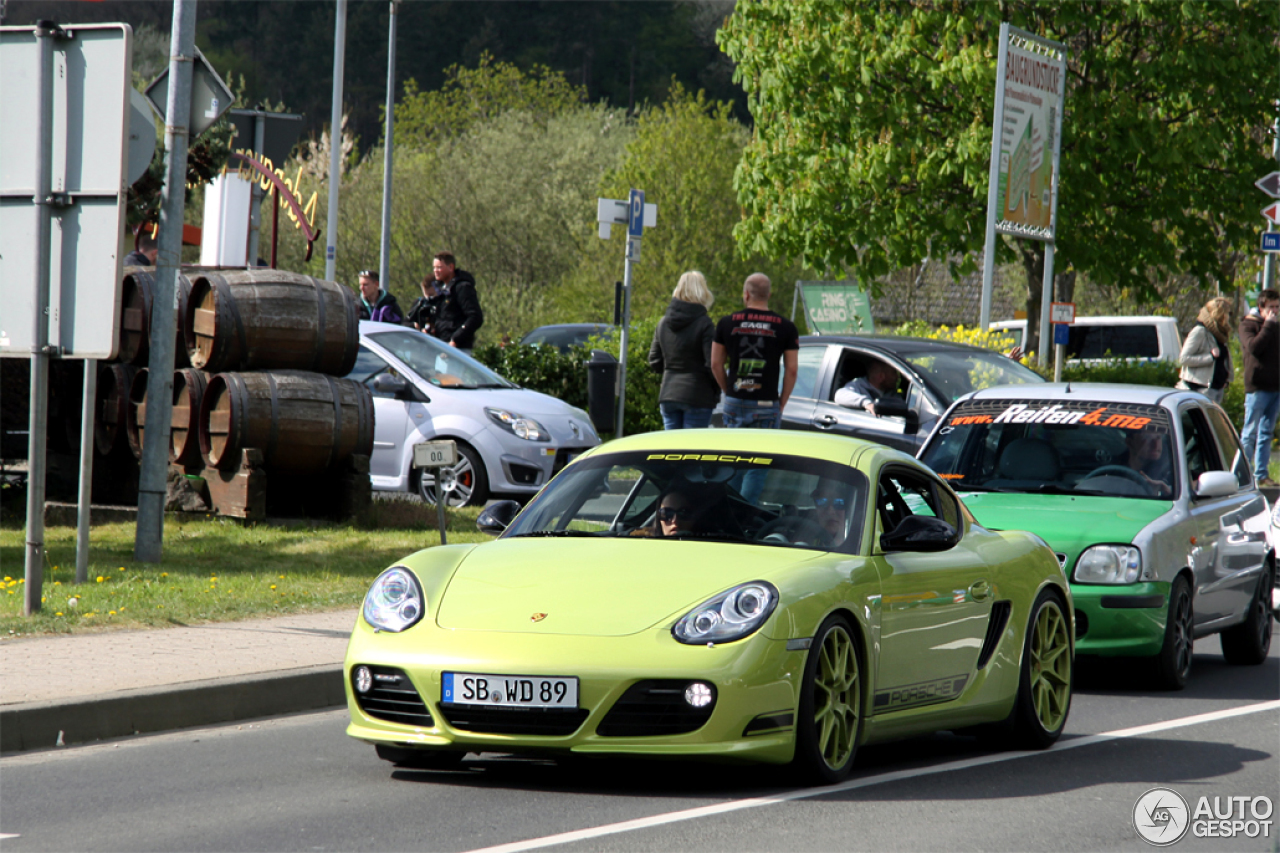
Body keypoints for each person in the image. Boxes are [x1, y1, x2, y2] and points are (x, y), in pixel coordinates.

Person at [710, 273, 799, 429]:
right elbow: (792, 369)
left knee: (735, 452)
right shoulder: (786, 327)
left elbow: (716, 364)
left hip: (735, 398)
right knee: (764, 452)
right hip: (767, 402)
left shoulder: (726, 323)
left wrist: (729, 392)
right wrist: (781, 402)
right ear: (768, 295)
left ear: (746, 294)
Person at [649, 271, 719, 430]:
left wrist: (671, 371)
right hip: (698, 395)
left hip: (669, 393)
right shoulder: (705, 323)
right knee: (691, 451)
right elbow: (712, 364)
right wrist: (717, 389)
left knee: (672, 450)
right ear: (703, 292)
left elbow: (654, 360)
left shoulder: (663, 322)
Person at [1239, 289, 1279, 486]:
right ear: (1261, 308)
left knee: (1266, 433)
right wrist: (1268, 326)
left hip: (1275, 387)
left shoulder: (1276, 326)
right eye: (1271, 307)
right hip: (1257, 387)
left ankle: (1261, 474)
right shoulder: (1248, 324)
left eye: (1278, 307)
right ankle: (1242, 474)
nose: (1275, 311)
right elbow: (1254, 347)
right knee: (1250, 432)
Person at [1176, 296, 1234, 404]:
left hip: (1217, 387)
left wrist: (1227, 378)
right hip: (1200, 389)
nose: (1229, 317)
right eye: (1228, 313)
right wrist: (1210, 357)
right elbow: (1183, 359)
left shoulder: (1219, 333)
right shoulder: (1200, 331)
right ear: (1220, 314)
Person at [426, 252, 484, 352]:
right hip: (441, 346)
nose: (436, 271)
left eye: (439, 267)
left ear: (451, 267)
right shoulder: (440, 291)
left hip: (458, 350)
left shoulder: (462, 288)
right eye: (434, 268)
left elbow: (475, 317)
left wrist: (455, 340)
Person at [834, 358, 903, 415]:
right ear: (881, 376)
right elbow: (839, 395)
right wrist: (867, 403)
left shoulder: (892, 394)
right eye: (894, 373)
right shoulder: (858, 385)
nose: (897, 377)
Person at [1122, 427, 1173, 497]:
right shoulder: (1113, 470)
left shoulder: (1173, 472)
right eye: (1147, 437)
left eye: (1158, 437)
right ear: (1130, 442)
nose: (1155, 444)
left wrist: (1166, 491)